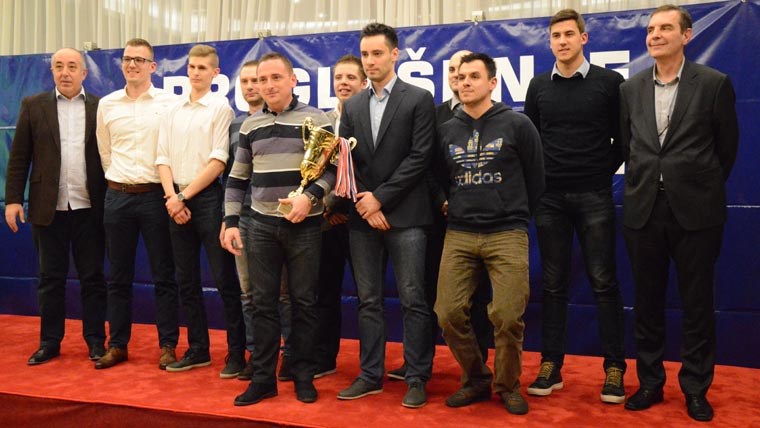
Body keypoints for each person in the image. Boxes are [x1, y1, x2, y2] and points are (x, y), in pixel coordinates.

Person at [619, 5, 739, 422]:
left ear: (686, 36)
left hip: (697, 213)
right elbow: (628, 145)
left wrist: (693, 184)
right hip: (643, 210)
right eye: (651, 29)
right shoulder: (630, 88)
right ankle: (650, 383)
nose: (655, 35)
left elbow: (726, 149)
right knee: (647, 304)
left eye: (665, 28)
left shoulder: (714, 84)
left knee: (697, 304)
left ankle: (695, 388)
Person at [523, 9, 627, 403]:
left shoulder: (609, 83)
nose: (562, 41)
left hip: (594, 195)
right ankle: (551, 365)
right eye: (556, 35)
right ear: (550, 42)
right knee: (552, 284)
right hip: (549, 199)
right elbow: (531, 141)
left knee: (604, 282)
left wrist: (596, 175)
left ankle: (614, 368)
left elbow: (623, 140)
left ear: (584, 38)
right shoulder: (538, 86)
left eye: (569, 34)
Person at [434, 52, 544, 415]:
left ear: (492, 83)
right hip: (460, 233)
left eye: (474, 76)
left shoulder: (518, 124)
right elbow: (437, 176)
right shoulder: (446, 129)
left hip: (507, 232)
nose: (465, 82)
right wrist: (445, 201)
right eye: (461, 77)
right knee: (447, 313)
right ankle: (477, 378)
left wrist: (513, 213)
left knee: (508, 316)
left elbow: (536, 178)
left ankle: (507, 385)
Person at [223, 52, 335, 406]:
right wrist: (230, 221)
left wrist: (311, 197)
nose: (268, 85)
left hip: (304, 225)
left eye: (275, 78)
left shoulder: (318, 120)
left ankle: (303, 376)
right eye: (262, 79)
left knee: (303, 303)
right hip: (259, 225)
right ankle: (263, 379)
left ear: (292, 80)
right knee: (262, 304)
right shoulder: (250, 125)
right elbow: (237, 178)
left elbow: (333, 171)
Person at [337, 23, 436, 409]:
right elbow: (348, 161)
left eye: (377, 53)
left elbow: (420, 157)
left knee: (413, 299)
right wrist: (367, 203)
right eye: (365, 54)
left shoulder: (419, 98)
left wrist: (380, 199)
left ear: (395, 54)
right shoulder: (353, 106)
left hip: (406, 216)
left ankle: (416, 377)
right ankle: (370, 375)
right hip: (363, 217)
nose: (370, 61)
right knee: (369, 301)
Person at [5, 48, 107, 365]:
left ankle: (95, 341)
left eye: (72, 66)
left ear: (84, 73)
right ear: (51, 71)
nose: (65, 72)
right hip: (47, 208)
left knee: (93, 279)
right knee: (50, 279)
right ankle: (49, 342)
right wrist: (12, 199)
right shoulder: (33, 105)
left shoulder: (100, 107)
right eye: (59, 66)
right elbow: (19, 157)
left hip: (90, 208)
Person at [155, 44, 246, 378]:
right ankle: (198, 350)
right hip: (174, 200)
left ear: (215, 73)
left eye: (202, 68)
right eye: (192, 67)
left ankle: (237, 353)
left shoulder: (220, 107)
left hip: (207, 199)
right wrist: (172, 198)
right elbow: (161, 157)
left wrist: (183, 196)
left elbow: (219, 160)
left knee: (224, 280)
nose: (195, 73)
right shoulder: (172, 109)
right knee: (186, 281)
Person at [94, 38, 181, 370]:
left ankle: (168, 346)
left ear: (152, 67)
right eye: (127, 59)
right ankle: (117, 345)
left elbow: (173, 150)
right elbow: (105, 152)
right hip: (117, 197)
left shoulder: (169, 103)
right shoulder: (108, 104)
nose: (132, 65)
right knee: (117, 277)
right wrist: (119, 181)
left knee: (164, 275)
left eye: (139, 60)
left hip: (156, 197)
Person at [314, 54, 366, 378]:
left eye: (350, 77)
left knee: (369, 297)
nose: (343, 83)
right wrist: (326, 207)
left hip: (363, 220)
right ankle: (323, 357)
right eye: (338, 77)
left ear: (364, 82)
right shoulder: (321, 123)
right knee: (325, 292)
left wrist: (346, 207)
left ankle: (370, 366)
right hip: (325, 222)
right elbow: (315, 171)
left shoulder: (370, 120)